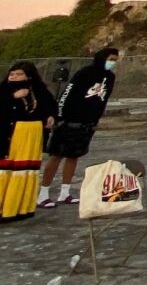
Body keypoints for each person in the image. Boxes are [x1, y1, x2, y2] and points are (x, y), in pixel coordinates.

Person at [39, 46, 119, 209]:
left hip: (87, 123)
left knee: (74, 156)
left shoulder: (110, 77)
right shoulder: (85, 73)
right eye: (111, 59)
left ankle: (65, 192)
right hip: (69, 120)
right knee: (57, 155)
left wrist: (95, 120)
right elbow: (67, 94)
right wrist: (59, 116)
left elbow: (103, 100)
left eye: (115, 61)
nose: (113, 63)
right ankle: (43, 194)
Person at [2, 61, 56, 222]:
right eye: (12, 74)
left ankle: (21, 207)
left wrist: (50, 116)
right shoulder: (3, 89)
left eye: (19, 74)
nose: (14, 77)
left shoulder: (39, 89)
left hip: (32, 134)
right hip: (11, 135)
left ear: (28, 76)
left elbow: (50, 106)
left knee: (26, 171)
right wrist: (12, 97)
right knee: (7, 171)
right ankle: (4, 208)